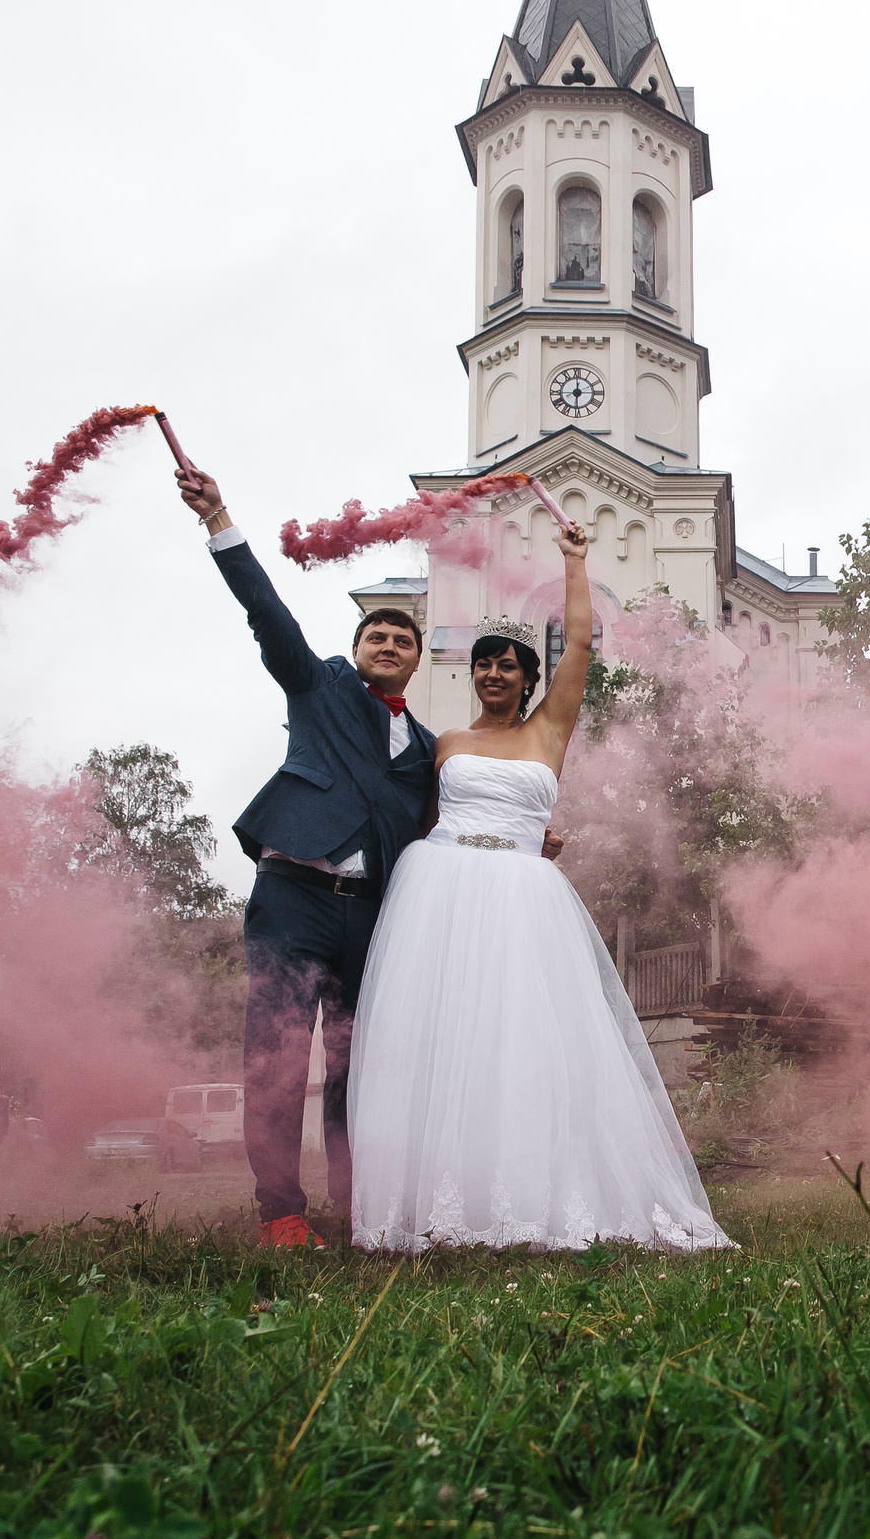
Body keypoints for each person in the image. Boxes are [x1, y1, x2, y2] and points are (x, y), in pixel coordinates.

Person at [178, 465, 560, 1248]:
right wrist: (221, 518)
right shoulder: (316, 690)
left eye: (401, 638)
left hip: (372, 920)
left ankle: (360, 1209)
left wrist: (532, 836)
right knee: (279, 1056)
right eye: (374, 636)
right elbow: (267, 613)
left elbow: (451, 818)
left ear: (417, 661)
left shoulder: (425, 749)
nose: (387, 644)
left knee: (359, 1070)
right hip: (292, 898)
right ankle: (280, 1211)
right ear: (354, 652)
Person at [345, 515, 729, 1252]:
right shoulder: (447, 743)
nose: (493, 672)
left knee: (519, 1044)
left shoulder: (548, 730)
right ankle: (441, 1201)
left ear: (527, 677)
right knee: (447, 1043)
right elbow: (420, 817)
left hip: (522, 901)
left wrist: (576, 563)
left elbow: (579, 645)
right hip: (443, 895)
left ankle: (529, 1195)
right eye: (483, 662)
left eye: (508, 664)